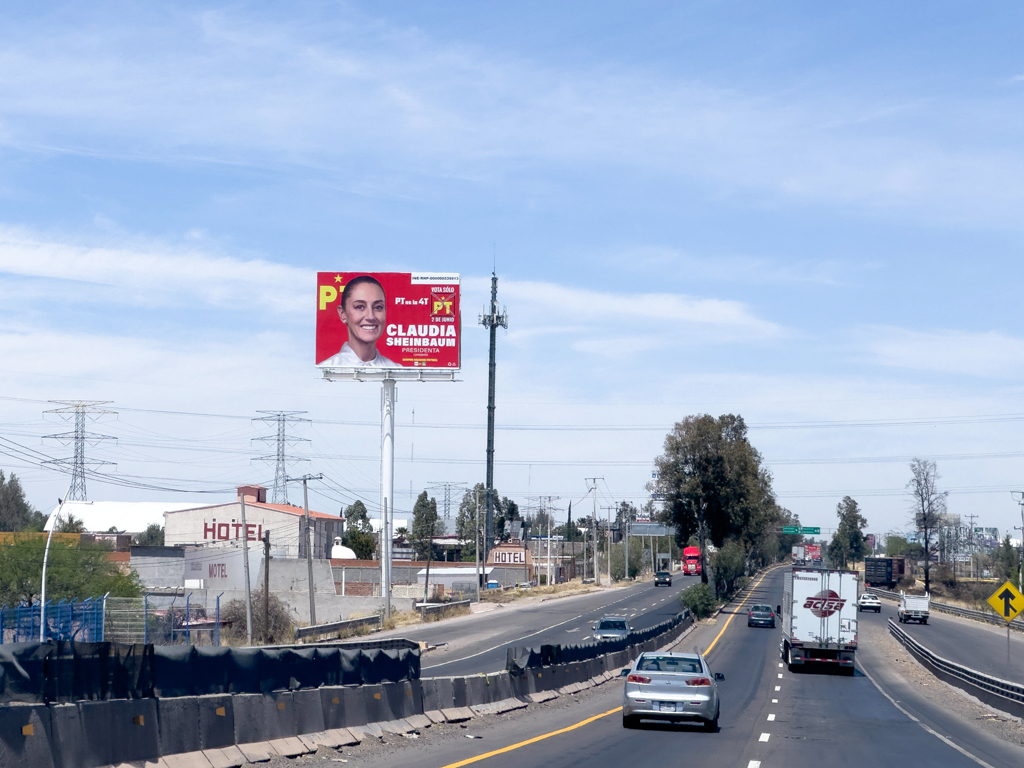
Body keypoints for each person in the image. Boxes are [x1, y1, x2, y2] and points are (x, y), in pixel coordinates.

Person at [318, 275, 400, 367]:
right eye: (360, 307)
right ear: (342, 313)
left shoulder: (396, 370)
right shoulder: (326, 368)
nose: (370, 316)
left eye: (378, 307)